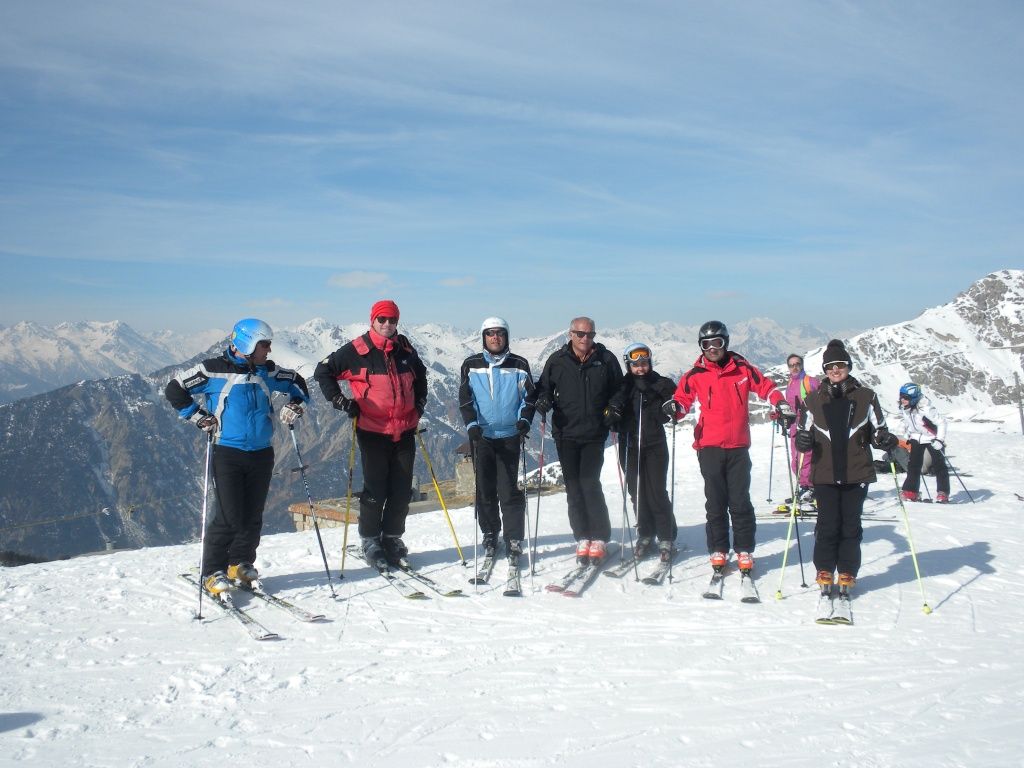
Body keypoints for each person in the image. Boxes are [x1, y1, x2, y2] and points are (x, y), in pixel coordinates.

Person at [165, 318, 309, 594]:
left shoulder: (267, 371)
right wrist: (196, 416)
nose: (268, 350)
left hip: (261, 453)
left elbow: (297, 383)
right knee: (229, 515)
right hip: (227, 452)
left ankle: (239, 563)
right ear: (248, 343)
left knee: (252, 513)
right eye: (264, 344)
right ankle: (212, 570)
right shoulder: (212, 371)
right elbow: (175, 389)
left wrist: (296, 404)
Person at [664, 321, 793, 575]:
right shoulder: (695, 375)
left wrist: (780, 403)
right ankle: (718, 548)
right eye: (707, 344)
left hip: (737, 446)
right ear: (701, 347)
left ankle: (744, 549)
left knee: (740, 500)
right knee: (715, 502)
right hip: (709, 446)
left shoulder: (742, 369)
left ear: (726, 342)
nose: (713, 349)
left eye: (717, 343)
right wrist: (674, 409)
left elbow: (766, 387)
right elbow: (682, 400)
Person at [313, 300, 428, 567]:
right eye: (382, 320)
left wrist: (420, 404)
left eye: (393, 320)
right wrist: (340, 401)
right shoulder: (356, 350)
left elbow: (421, 375)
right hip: (372, 430)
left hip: (405, 429)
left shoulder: (404, 348)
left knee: (401, 491)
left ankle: (391, 537)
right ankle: (370, 539)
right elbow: (323, 371)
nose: (388, 325)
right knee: (376, 490)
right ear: (373, 320)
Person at [795, 339, 892, 598]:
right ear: (825, 370)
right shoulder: (813, 400)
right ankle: (824, 568)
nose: (835, 371)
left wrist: (883, 439)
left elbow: (879, 430)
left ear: (848, 366)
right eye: (829, 367)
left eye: (839, 365)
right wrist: (803, 441)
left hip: (856, 471)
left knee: (850, 525)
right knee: (827, 524)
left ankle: (847, 570)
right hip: (824, 472)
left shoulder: (866, 396)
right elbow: (802, 435)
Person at [534, 317, 623, 564]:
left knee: (590, 483)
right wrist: (543, 400)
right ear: (570, 334)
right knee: (573, 486)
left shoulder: (606, 360)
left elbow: (619, 388)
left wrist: (615, 406)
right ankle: (583, 536)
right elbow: (544, 388)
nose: (586, 339)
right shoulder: (557, 361)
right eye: (581, 334)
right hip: (565, 433)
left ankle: (600, 536)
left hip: (595, 433)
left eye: (590, 334)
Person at [458, 317, 536, 562]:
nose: (495, 337)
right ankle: (490, 533)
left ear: (506, 336)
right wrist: (471, 425)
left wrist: (524, 420)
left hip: (510, 436)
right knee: (485, 490)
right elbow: (466, 398)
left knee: (508, 489)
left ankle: (514, 537)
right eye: (490, 333)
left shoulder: (519, 364)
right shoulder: (471, 364)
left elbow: (529, 397)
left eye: (499, 333)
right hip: (482, 437)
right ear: (483, 336)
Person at [605, 342, 678, 562]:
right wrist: (612, 414)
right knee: (637, 492)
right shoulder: (622, 386)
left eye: (644, 363)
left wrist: (671, 408)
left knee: (656, 491)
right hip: (630, 444)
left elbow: (676, 401)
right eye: (635, 365)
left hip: (655, 444)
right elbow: (610, 407)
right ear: (628, 365)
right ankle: (645, 533)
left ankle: (666, 536)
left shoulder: (660, 383)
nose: (641, 368)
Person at [896, 382, 950, 503]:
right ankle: (911, 492)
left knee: (939, 466)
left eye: (906, 398)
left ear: (914, 398)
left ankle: (943, 493)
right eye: (901, 396)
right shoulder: (905, 408)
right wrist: (902, 431)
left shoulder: (925, 408)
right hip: (916, 438)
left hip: (932, 438)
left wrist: (939, 440)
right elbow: (907, 421)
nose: (903, 400)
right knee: (913, 466)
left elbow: (942, 422)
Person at [783, 353, 819, 505]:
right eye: (791, 365)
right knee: (796, 460)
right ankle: (804, 487)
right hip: (793, 426)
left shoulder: (810, 382)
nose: (795, 367)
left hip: (808, 426)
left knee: (807, 458)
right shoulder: (790, 383)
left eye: (797, 364)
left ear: (802, 364)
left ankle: (811, 488)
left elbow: (821, 401)